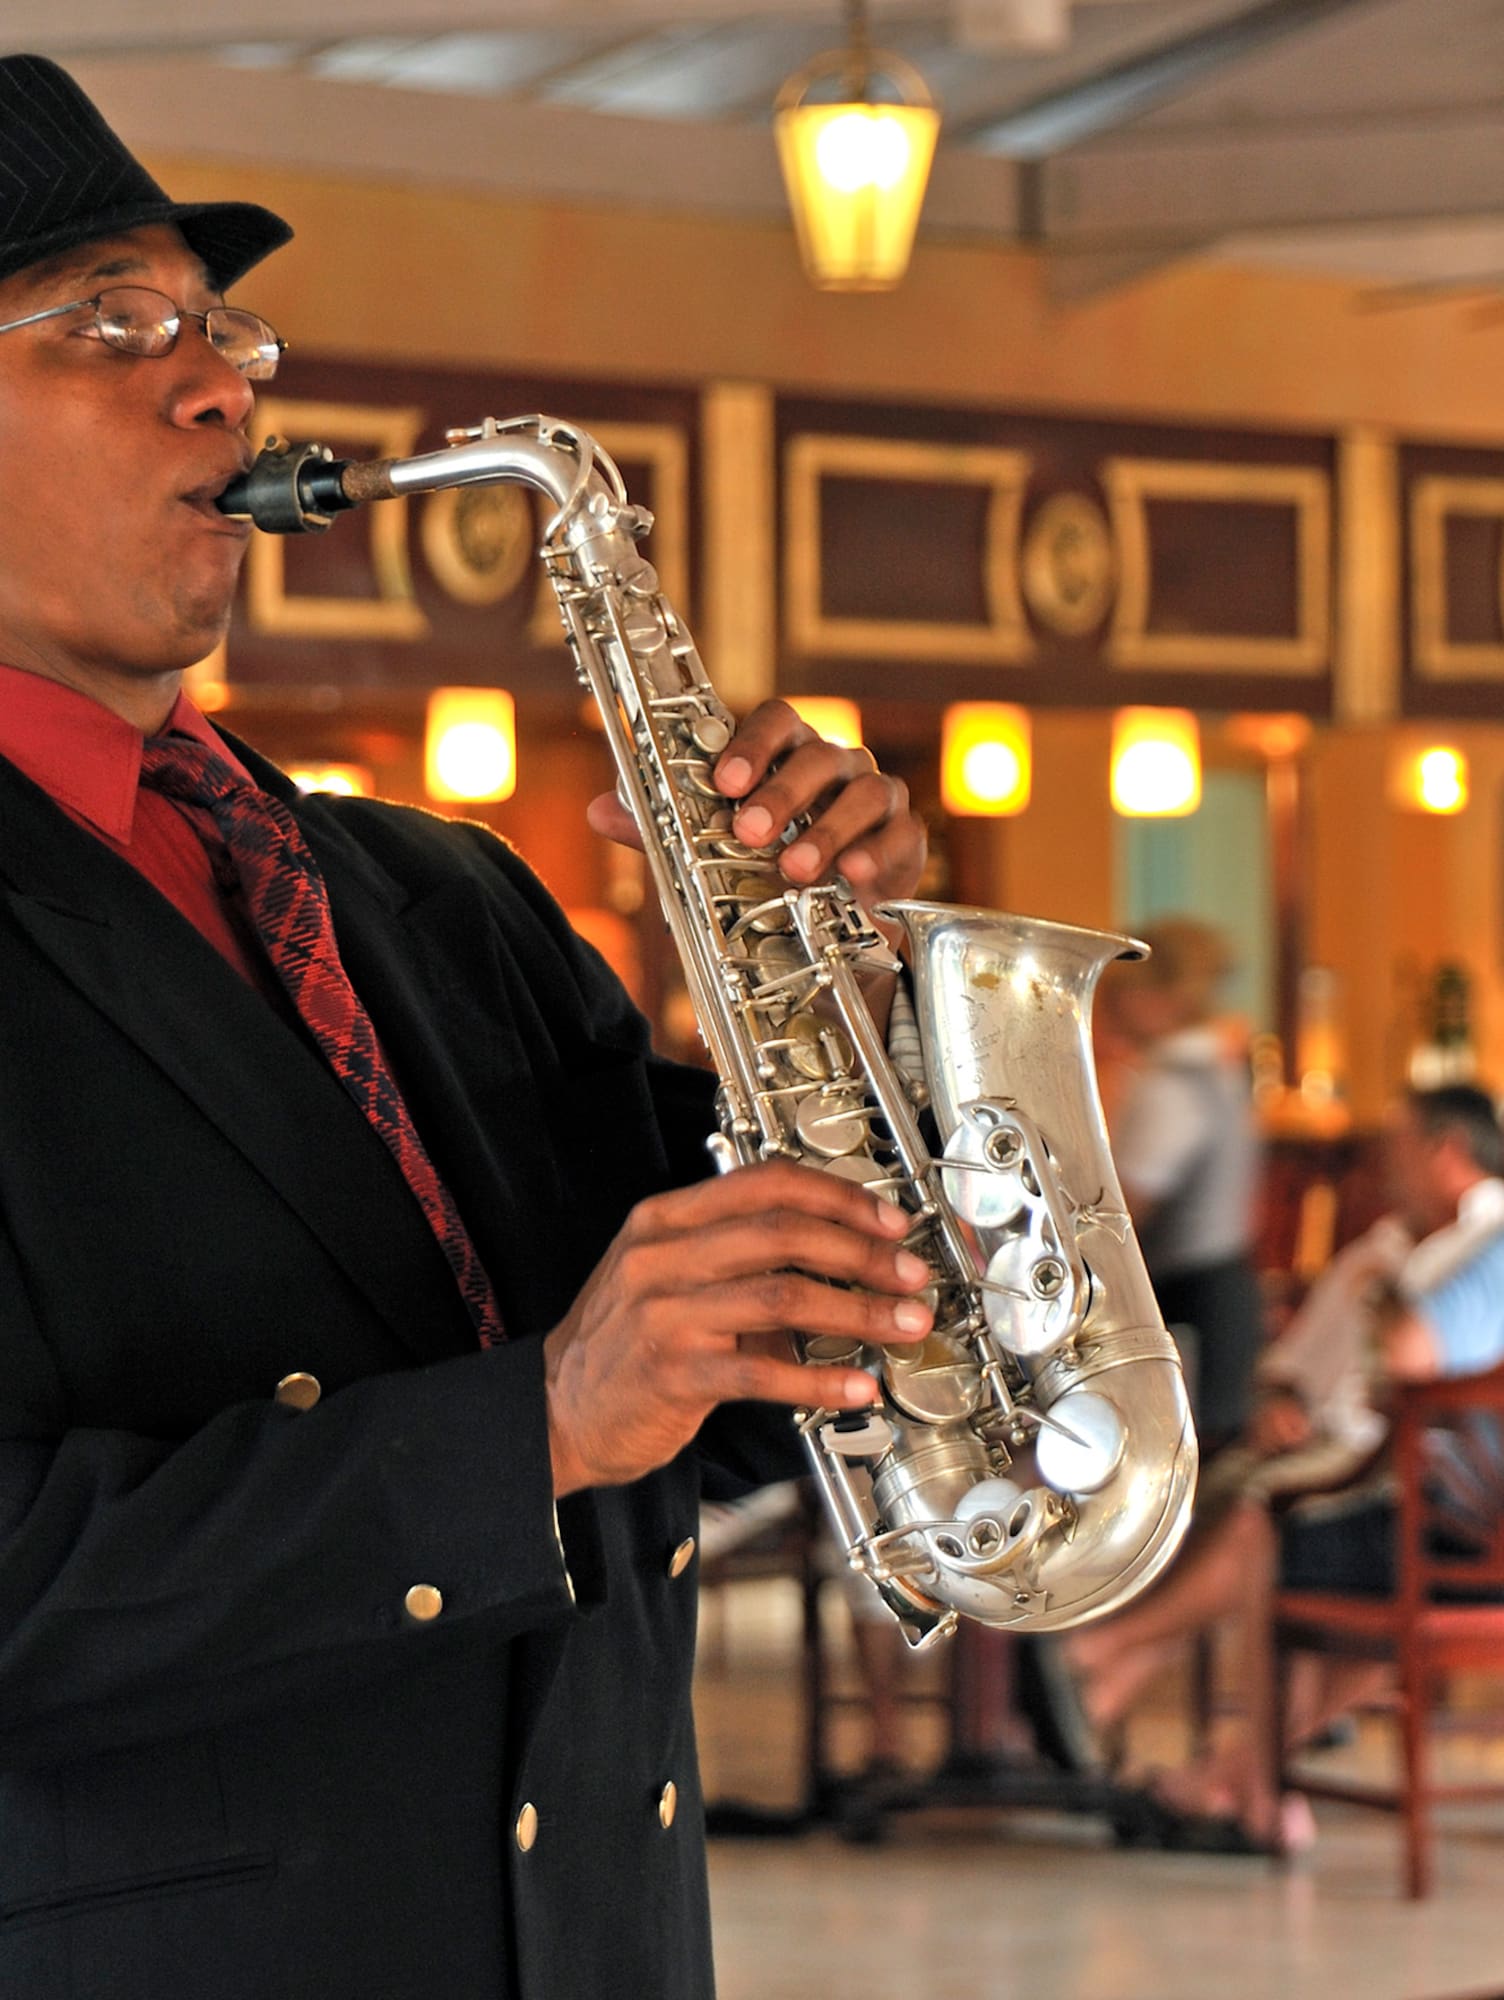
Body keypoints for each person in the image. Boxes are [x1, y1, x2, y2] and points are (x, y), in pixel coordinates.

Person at [0, 54, 939, 2000]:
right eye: (111, 325)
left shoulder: (442, 897)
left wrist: (872, 1019)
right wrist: (538, 1424)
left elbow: (759, 1399)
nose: (220, 385)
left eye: (222, 327)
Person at [1061, 1085, 1504, 1849]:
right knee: (1229, 1495)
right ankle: (1195, 1748)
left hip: (1429, 1484)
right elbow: (1290, 1365)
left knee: (1266, 1528)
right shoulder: (1374, 1250)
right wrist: (1278, 1398)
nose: (1381, 1165)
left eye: (1399, 1147)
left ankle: (1107, 1671)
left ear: (1447, 1151)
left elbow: (1434, 1382)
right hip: (1337, 1458)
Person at [1102, 917, 1265, 1448]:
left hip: (1190, 1307)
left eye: (1118, 993)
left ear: (1155, 997)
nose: (1106, 1007)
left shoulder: (1172, 1085)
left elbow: (1123, 1213)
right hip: (1227, 1294)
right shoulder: (1217, 1069)